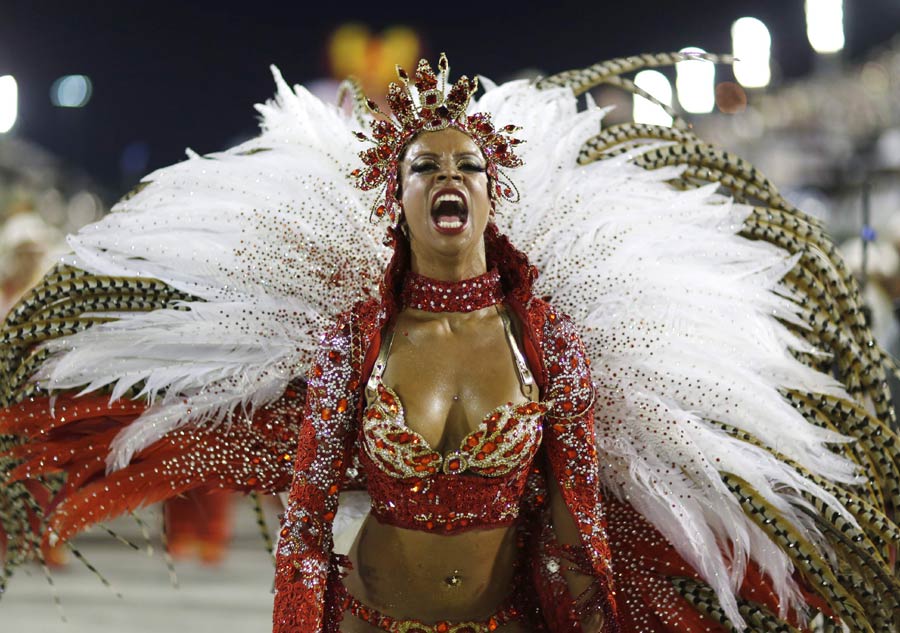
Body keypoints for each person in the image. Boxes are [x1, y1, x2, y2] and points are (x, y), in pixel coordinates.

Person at [1, 53, 898, 633]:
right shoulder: (356, 340)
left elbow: (574, 520)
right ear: (398, 193)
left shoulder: (550, 344)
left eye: (467, 162)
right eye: (425, 163)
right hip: (366, 619)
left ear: (490, 188)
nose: (448, 174)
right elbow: (308, 525)